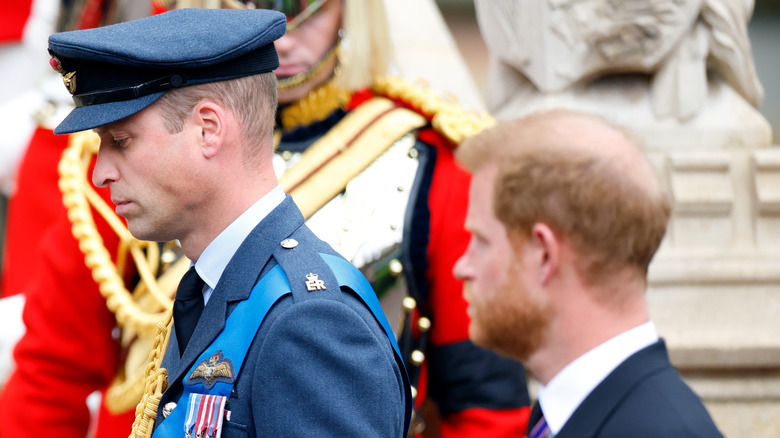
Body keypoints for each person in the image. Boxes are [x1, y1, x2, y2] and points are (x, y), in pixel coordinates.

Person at [45, 7, 410, 438]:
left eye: (121, 141)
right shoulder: (213, 287)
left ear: (208, 130)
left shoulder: (310, 322)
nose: (99, 173)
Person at [255, 0, 531, 435]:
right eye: (257, 9)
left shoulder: (434, 157)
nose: (285, 39)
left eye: (311, 14)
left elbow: (485, 401)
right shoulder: (161, 146)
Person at [453, 109, 724, 438]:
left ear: (544, 255)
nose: (461, 267)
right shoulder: (569, 414)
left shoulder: (659, 430)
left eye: (481, 241)